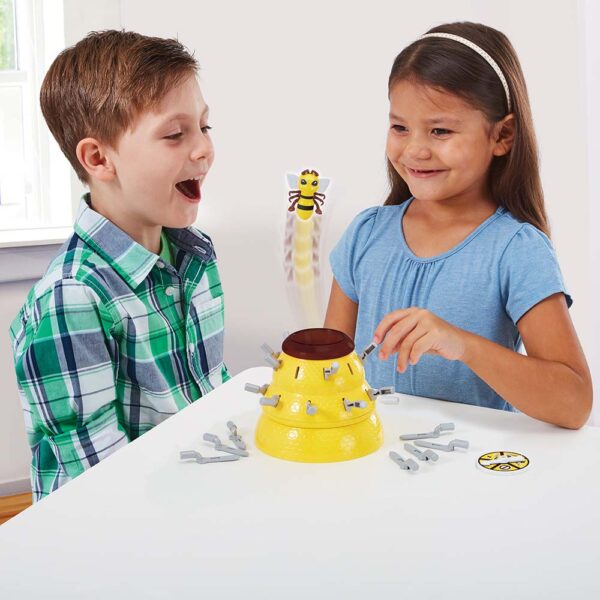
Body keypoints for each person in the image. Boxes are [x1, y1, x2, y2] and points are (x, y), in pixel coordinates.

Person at [325, 22, 592, 429]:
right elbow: (330, 372)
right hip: (371, 459)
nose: (415, 149)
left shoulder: (516, 250)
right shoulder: (365, 235)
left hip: (474, 463)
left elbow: (574, 404)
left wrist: (462, 345)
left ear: (502, 135)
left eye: (440, 131)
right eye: (400, 127)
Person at [10, 30, 229, 501]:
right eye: (175, 134)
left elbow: (211, 390)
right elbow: (102, 487)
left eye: (204, 126)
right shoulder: (71, 300)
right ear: (98, 158)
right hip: (116, 524)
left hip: (198, 499)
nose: (203, 149)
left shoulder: (196, 256)